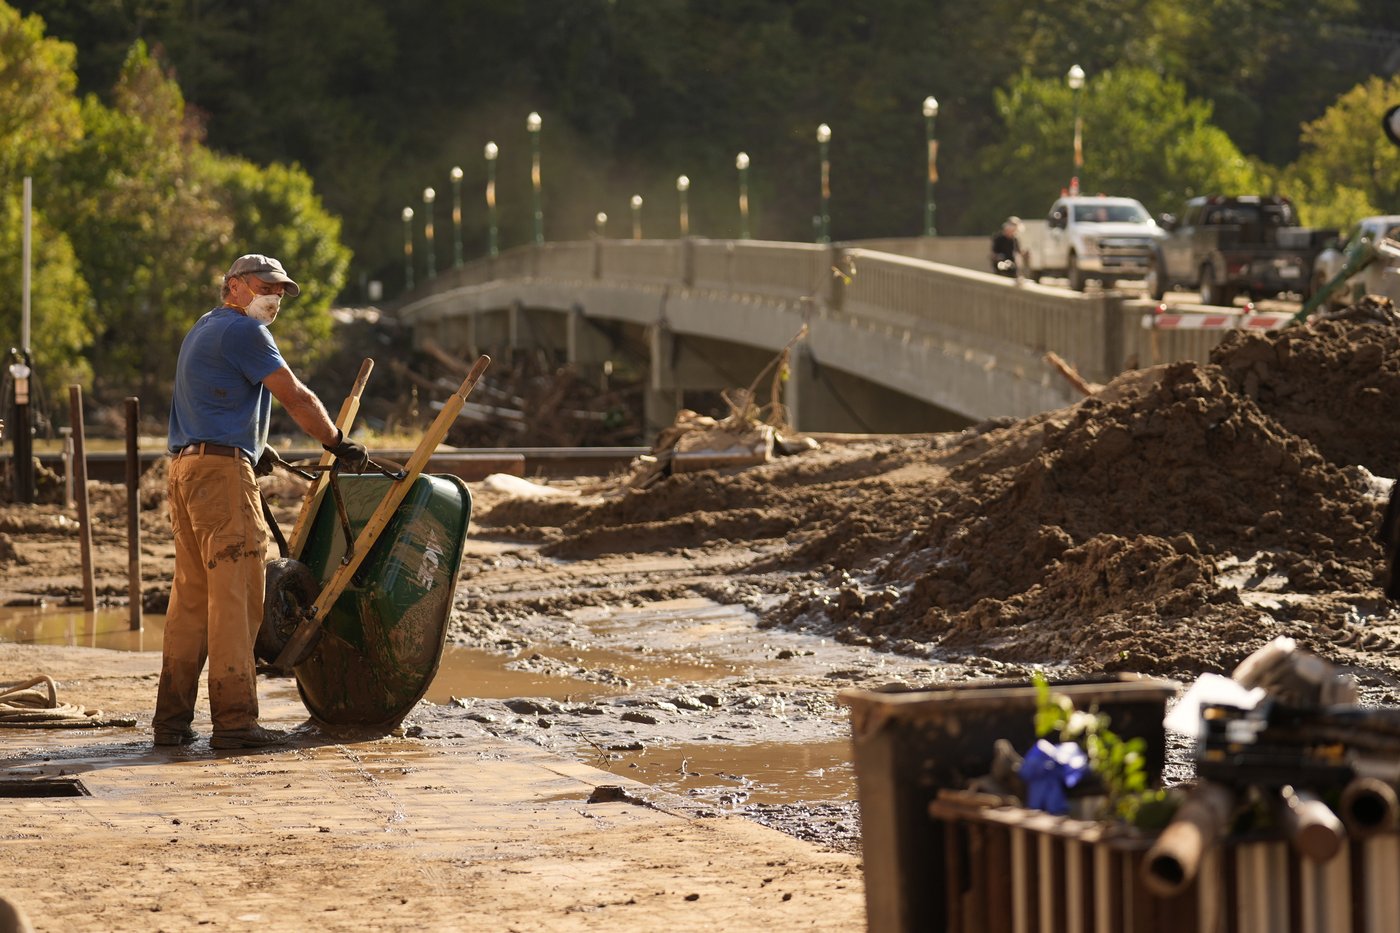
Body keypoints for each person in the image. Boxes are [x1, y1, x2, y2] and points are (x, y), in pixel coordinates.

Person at [154, 253, 368, 750]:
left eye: (280, 291)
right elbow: (294, 396)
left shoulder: (204, 328)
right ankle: (234, 723)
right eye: (265, 287)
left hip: (186, 471)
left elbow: (213, 398)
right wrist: (337, 442)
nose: (274, 298)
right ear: (234, 286)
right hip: (221, 477)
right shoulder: (246, 333)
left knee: (191, 601)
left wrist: (252, 445)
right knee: (237, 597)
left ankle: (171, 721)